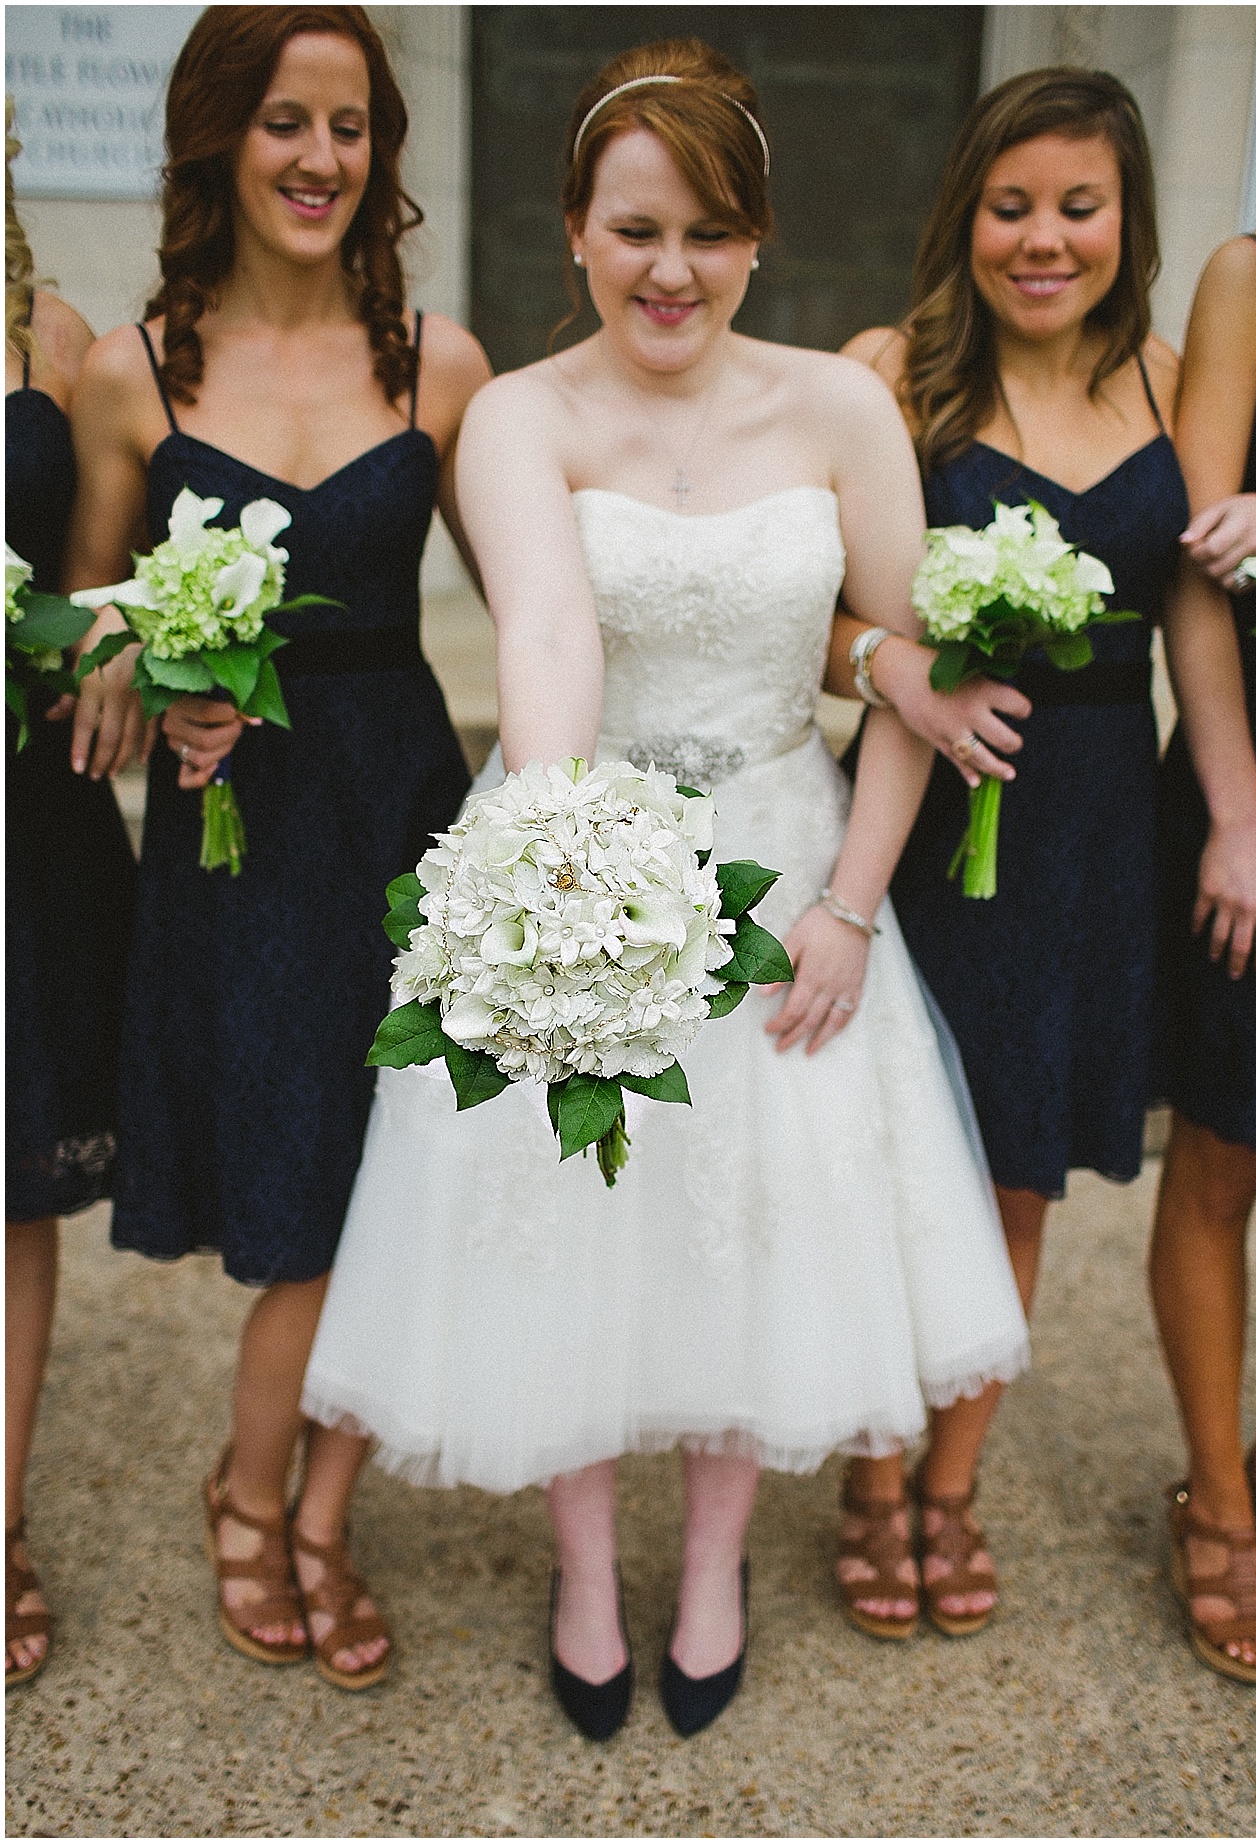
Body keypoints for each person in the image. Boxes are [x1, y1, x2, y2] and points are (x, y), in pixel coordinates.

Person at [297, 40, 1029, 1740]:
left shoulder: (840, 407)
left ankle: (711, 1565)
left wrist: (847, 906)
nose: (670, 270)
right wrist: (563, 891)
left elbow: (910, 673)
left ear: (756, 238)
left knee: (755, 1233)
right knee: (568, 1227)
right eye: (634, 230)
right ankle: (580, 1569)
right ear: (574, 233)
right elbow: (548, 639)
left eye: (705, 232)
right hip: (586, 847)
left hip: (797, 856)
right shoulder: (521, 416)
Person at [64, 4, 491, 1693]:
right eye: (285, 124)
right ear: (217, 141)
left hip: (396, 810)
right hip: (234, 832)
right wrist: (149, 674)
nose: (321, 159)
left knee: (395, 1179)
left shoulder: (435, 365)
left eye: (351, 126)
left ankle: (302, 1504)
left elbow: (538, 594)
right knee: (305, 1193)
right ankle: (261, 1506)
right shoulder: (135, 367)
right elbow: (79, 632)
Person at [827, 67, 1256, 1639]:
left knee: (1016, 1182)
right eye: (1012, 206)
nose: (1042, 238)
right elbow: (797, 609)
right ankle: (870, 1475)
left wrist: (1236, 814)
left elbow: (1197, 614)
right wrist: (898, 665)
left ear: (1125, 221)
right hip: (929, 808)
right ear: (968, 213)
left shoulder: (1164, 382)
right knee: (903, 1160)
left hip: (1091, 825)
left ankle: (947, 1481)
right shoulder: (890, 376)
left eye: (1077, 206)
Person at [5, 104, 144, 1688]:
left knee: (12, 1177)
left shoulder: (51, 335)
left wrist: (107, 644)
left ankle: (1, 1516)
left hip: (20, 822)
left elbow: (95, 574)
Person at [1144, 223, 1256, 1684]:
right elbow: (1196, 566)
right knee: (1226, 1149)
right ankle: (1219, 1499)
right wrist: (1239, 815)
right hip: (1242, 769)